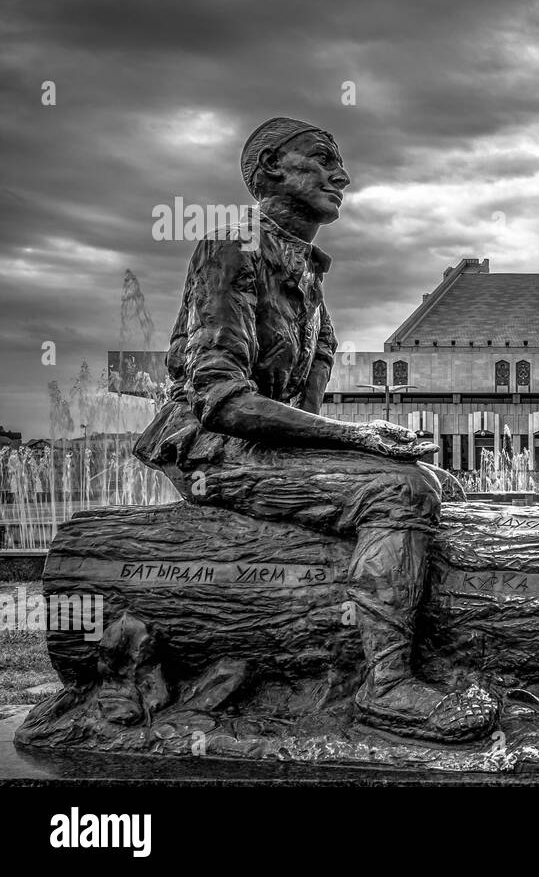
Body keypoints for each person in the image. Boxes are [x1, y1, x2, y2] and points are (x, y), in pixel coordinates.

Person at [135, 116, 494, 741]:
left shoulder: (310, 279)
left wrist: (363, 443)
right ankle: (386, 687)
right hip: (213, 450)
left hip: (259, 447)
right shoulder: (231, 246)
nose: (341, 174)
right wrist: (361, 440)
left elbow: (304, 418)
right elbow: (220, 399)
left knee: (438, 482)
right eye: (322, 158)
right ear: (272, 169)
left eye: (340, 163)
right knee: (399, 491)